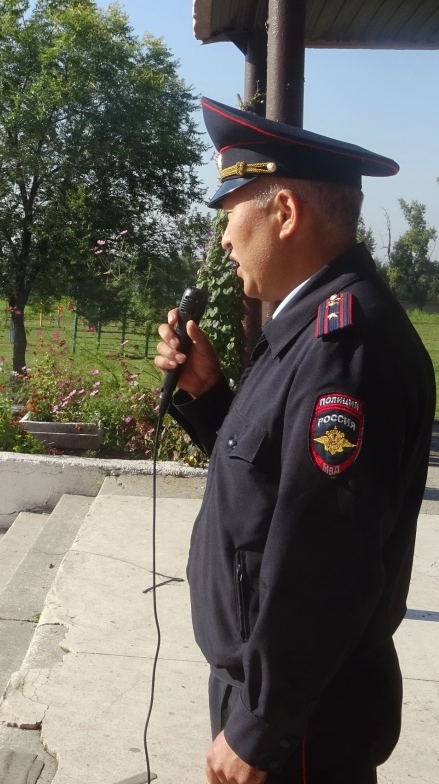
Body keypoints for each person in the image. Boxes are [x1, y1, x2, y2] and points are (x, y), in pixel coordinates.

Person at [154, 97, 435, 784]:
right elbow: (272, 486)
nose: (224, 238)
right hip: (275, 690)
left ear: (283, 213)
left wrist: (261, 725)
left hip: (299, 719)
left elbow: (327, 559)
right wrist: (207, 395)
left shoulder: (344, 346)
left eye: (232, 212)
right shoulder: (306, 327)